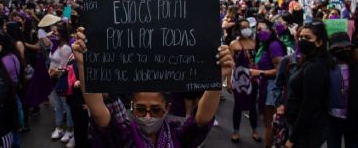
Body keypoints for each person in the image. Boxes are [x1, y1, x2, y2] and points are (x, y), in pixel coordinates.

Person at [71, 27, 235, 147]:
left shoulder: (178, 133)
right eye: (141, 109)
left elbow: (202, 119)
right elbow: (98, 112)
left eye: (155, 110)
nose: (148, 117)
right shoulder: (123, 135)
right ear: (131, 107)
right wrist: (84, 66)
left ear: (167, 108)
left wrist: (217, 77)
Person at [285, 21, 333, 148]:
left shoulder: (315, 67)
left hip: (307, 132)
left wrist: (293, 138)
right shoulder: (309, 60)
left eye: (307, 38)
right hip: (302, 128)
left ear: (319, 42)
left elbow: (309, 106)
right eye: (300, 37)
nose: (302, 40)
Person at [249, 19, 286, 148]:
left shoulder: (273, 46)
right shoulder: (264, 45)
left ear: (270, 30)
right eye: (257, 30)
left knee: (269, 122)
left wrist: (259, 72)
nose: (259, 32)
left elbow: (280, 71)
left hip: (273, 87)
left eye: (262, 29)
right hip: (267, 85)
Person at [327, 32, 358, 148]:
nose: (344, 50)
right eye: (339, 48)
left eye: (347, 47)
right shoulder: (326, 68)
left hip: (355, 118)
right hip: (332, 119)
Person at [228, 19, 261, 143]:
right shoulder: (233, 44)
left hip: (253, 78)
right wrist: (229, 81)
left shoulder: (255, 42)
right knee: (238, 105)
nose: (247, 29)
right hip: (239, 80)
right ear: (238, 29)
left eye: (248, 26)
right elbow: (230, 65)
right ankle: (236, 131)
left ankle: (255, 130)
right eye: (243, 27)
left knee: (253, 106)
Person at [49, 23, 75, 146]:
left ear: (62, 34)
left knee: (66, 106)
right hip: (53, 79)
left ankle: (70, 130)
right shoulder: (55, 46)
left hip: (62, 80)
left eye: (55, 32)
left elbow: (66, 68)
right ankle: (59, 127)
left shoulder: (65, 48)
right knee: (58, 105)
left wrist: (54, 72)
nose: (53, 34)